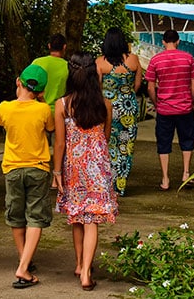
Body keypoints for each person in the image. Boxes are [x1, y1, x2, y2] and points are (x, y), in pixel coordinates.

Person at [53, 52, 117, 292]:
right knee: (92, 221)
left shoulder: (62, 105)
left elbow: (60, 144)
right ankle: (86, 272)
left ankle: (81, 265)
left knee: (77, 218)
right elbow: (106, 137)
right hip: (99, 168)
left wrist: (57, 172)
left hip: (74, 168)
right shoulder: (106, 104)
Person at [0, 64, 55, 289]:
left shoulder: (4, 108)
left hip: (12, 169)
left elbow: (1, 123)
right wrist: (41, 100)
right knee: (35, 217)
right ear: (41, 92)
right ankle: (23, 266)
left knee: (16, 216)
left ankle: (24, 262)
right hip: (38, 169)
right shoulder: (43, 110)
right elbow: (50, 129)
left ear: (18, 81)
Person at [144, 29, 194, 191]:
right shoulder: (188, 58)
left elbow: (150, 87)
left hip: (164, 109)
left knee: (163, 143)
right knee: (187, 140)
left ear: (162, 41)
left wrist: (156, 103)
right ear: (178, 41)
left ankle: (165, 179)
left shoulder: (155, 60)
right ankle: (186, 173)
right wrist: (190, 102)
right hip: (185, 108)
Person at [95, 27, 142, 196]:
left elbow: (96, 87)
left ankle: (106, 183)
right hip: (128, 107)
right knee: (126, 146)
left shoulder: (100, 62)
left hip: (107, 108)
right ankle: (120, 185)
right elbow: (137, 85)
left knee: (107, 144)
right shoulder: (134, 60)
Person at [31, 33, 69, 115]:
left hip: (36, 111)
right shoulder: (68, 67)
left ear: (49, 46)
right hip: (57, 112)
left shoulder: (37, 62)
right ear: (64, 47)